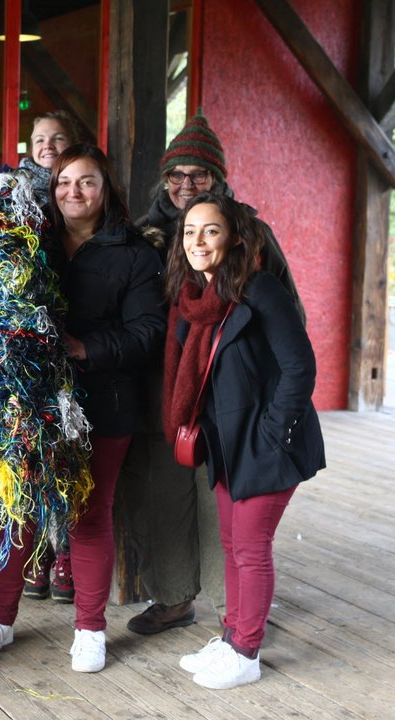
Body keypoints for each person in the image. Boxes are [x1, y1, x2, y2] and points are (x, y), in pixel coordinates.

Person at [123, 110, 304, 637]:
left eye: (197, 175)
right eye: (176, 175)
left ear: (217, 179)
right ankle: (173, 597)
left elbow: (285, 308)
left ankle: (237, 608)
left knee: (220, 492)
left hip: (231, 379)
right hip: (166, 379)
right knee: (164, 490)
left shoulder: (250, 231)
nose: (185, 184)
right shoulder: (143, 234)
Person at [164, 192, 324, 689]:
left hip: (265, 443)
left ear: (232, 236)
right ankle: (233, 636)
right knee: (233, 544)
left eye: (210, 230)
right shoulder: (199, 301)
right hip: (228, 443)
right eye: (190, 231)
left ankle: (247, 653)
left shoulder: (261, 291)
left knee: (251, 549)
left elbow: (301, 369)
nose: (198, 241)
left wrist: (273, 433)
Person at [47, 143, 166, 672]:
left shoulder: (134, 252)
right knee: (19, 512)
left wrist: (86, 349)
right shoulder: (34, 243)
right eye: (64, 182)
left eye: (86, 181)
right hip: (35, 400)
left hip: (106, 402)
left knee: (88, 515)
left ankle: (90, 629)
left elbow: (150, 331)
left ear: (106, 189)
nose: (74, 192)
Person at [15, 110, 83, 603]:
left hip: (74, 333)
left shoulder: (79, 190)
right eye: (40, 138)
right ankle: (40, 551)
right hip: (27, 340)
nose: (48, 145)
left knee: (68, 453)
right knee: (31, 453)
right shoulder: (15, 190)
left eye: (58, 138)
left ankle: (66, 557)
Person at [19, 110, 83, 207]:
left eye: (58, 138)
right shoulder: (12, 188)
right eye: (40, 140)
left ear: (72, 144)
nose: (48, 146)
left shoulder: (87, 185)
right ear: (32, 148)